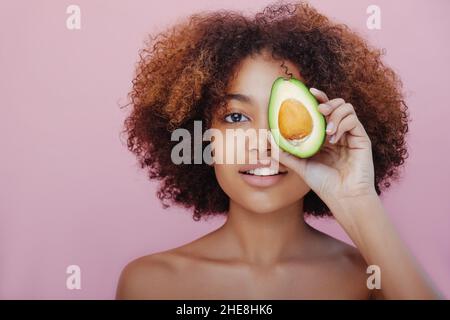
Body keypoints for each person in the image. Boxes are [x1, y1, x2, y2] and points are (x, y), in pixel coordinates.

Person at [116, 2, 442, 299]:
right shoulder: (150, 284)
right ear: (204, 137)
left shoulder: (371, 281)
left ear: (327, 128)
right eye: (236, 117)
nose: (262, 142)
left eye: (289, 115)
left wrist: (358, 199)